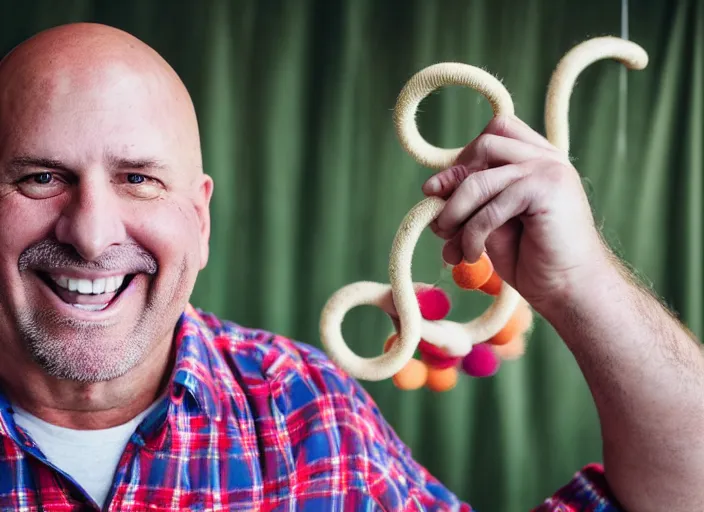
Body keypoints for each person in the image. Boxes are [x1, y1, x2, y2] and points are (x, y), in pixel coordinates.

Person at [0, 21, 699, 512]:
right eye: (38, 177)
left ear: (202, 220)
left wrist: (583, 286)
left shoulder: (308, 417)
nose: (90, 234)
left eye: (138, 179)